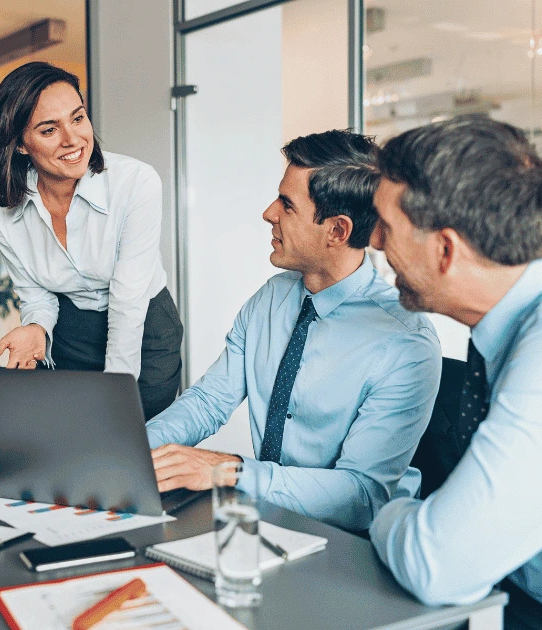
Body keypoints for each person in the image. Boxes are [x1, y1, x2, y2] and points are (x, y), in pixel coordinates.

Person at [368, 116, 542, 629]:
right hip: (529, 597)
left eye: (385, 227)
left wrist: (389, 511)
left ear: (445, 250)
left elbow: (437, 566)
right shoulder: (524, 314)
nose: (373, 242)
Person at [146, 130, 441, 532]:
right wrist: (133, 451)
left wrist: (232, 471)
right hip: (273, 520)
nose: (269, 213)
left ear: (337, 231)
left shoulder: (404, 342)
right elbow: (208, 402)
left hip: (355, 546)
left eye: (287, 205)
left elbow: (363, 497)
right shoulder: (271, 299)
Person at [0, 61, 182, 421]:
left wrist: (116, 392)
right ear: (21, 145)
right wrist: (36, 327)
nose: (73, 139)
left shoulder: (136, 183)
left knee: (132, 438)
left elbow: (128, 299)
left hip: (145, 325)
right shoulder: (5, 213)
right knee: (67, 434)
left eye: (78, 118)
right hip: (71, 327)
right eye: (48, 130)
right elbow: (37, 298)